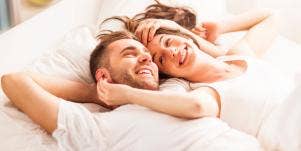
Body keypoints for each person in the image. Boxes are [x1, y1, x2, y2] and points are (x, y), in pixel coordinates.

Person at [1, 31, 262, 150]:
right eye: (130, 54)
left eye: (149, 55)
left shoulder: (175, 87)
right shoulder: (97, 128)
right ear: (104, 75)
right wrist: (97, 93)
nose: (147, 59)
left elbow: (201, 52)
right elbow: (15, 81)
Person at [109, 6, 294, 138]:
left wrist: (220, 26)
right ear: (170, 74)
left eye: (168, 41)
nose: (171, 52)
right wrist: (127, 94)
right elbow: (196, 106)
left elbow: (271, 16)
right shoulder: (203, 91)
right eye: (161, 59)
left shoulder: (239, 55)